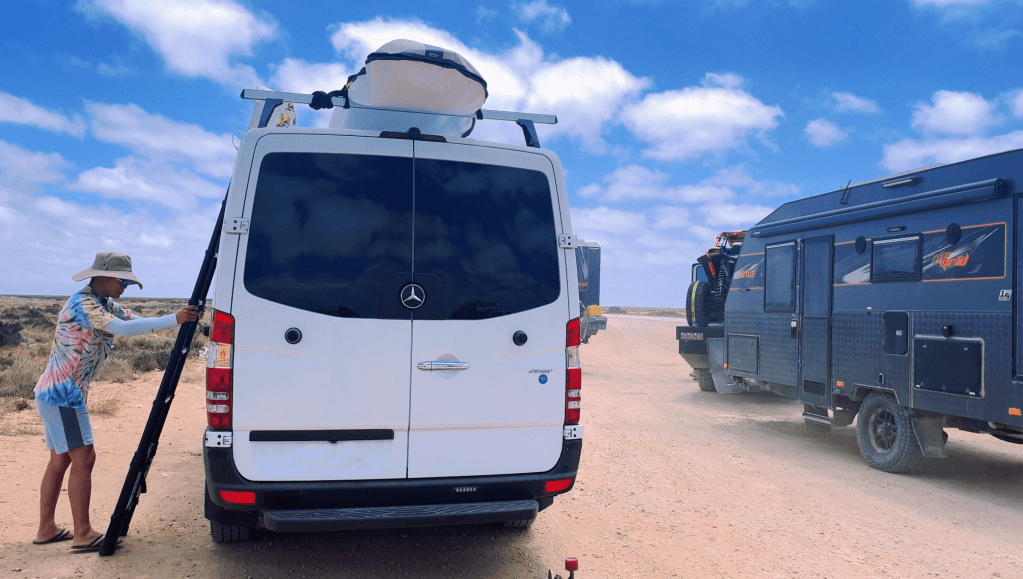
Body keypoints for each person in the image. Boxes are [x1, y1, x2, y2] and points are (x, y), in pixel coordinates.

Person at [32, 252, 200, 551]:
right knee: (84, 458)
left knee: (60, 460)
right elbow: (122, 329)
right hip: (63, 394)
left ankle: (46, 529)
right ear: (104, 278)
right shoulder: (83, 304)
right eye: (123, 282)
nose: (125, 287)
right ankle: (83, 533)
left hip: (58, 392)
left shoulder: (105, 304)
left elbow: (134, 321)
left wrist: (176, 320)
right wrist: (175, 319)